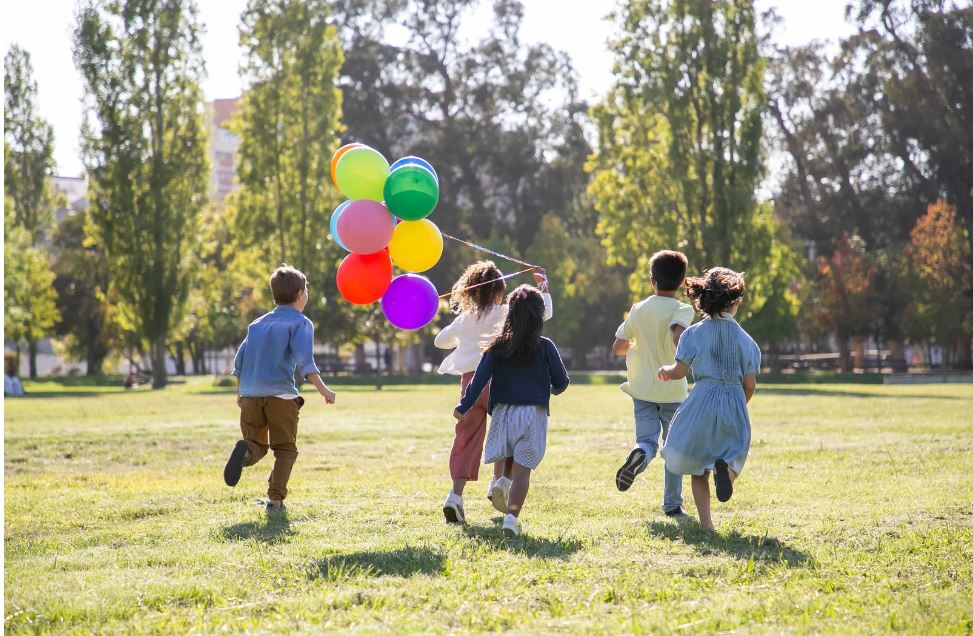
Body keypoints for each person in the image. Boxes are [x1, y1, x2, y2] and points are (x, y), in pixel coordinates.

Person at [435, 261, 552, 525]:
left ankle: (455, 496)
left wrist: (462, 330)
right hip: (499, 384)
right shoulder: (504, 313)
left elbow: (439, 341)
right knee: (508, 434)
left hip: (470, 386)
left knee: (465, 440)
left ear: (470, 292)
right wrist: (543, 287)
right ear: (499, 292)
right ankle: (498, 482)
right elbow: (542, 314)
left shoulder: (464, 319)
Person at [454, 285, 569, 537]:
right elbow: (562, 381)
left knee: (507, 456)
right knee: (523, 471)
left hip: (503, 414)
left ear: (510, 314)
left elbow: (479, 380)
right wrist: (550, 389)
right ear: (539, 316)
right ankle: (511, 517)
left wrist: (464, 405)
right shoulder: (546, 346)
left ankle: (500, 482)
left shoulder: (496, 346)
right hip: (532, 415)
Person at [223, 265, 337, 512]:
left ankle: (246, 452)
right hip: (281, 396)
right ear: (299, 294)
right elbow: (306, 362)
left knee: (256, 444)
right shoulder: (300, 323)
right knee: (285, 449)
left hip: (251, 395)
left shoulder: (257, 324)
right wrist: (324, 390)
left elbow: (239, 361)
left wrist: (240, 393)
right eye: (306, 290)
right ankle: (275, 501)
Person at [658, 268, 760, 531]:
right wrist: (739, 404)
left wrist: (665, 370)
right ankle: (726, 473)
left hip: (701, 400)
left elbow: (679, 372)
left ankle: (707, 525)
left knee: (697, 466)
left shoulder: (692, 334)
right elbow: (750, 384)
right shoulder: (747, 341)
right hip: (733, 400)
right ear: (735, 302)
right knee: (735, 453)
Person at [611, 250, 694, 517]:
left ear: (651, 280)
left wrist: (638, 346)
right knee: (673, 448)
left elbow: (618, 347)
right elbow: (677, 334)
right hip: (672, 389)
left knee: (646, 441)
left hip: (642, 388)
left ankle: (639, 455)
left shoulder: (638, 308)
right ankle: (672, 504)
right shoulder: (683, 308)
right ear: (682, 282)